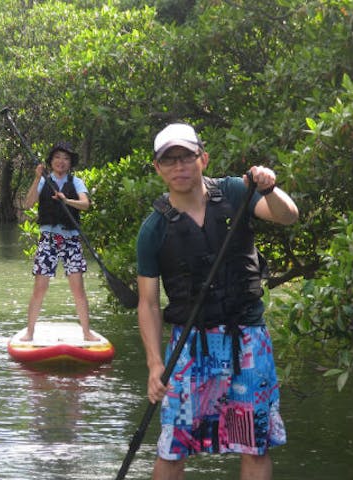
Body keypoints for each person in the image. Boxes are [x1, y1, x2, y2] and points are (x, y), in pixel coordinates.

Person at [136, 123, 299, 480]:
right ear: (158, 168)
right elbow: (147, 304)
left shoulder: (237, 192)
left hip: (247, 342)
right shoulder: (153, 229)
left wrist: (269, 188)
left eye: (187, 157)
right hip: (189, 347)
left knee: (254, 445)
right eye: (170, 160)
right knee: (173, 448)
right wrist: (153, 365)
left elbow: (287, 215)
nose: (179, 167)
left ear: (203, 159)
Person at [20, 141, 98, 342]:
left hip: (70, 239)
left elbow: (85, 204)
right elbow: (28, 203)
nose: (61, 161)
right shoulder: (45, 180)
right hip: (48, 239)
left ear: (70, 163)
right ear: (51, 161)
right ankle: (30, 331)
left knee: (78, 288)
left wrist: (66, 200)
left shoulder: (76, 181)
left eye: (65, 158)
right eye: (57, 158)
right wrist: (37, 178)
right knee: (40, 287)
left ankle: (86, 332)